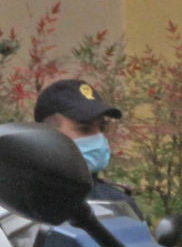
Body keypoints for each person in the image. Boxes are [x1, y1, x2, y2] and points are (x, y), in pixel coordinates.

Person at [33, 78, 141, 220]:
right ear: (48, 136)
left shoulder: (117, 203)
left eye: (102, 127)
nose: (98, 137)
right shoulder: (20, 203)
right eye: (84, 129)